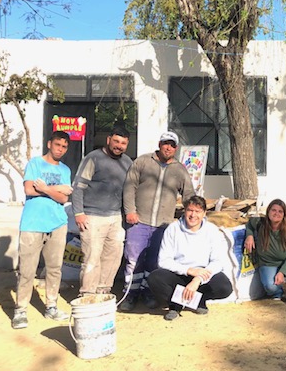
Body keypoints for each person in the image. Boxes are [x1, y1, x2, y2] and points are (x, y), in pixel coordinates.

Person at [121, 130, 194, 311]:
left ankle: (147, 292)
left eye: (172, 144)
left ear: (176, 148)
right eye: (165, 143)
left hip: (163, 225)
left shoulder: (180, 170)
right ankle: (130, 294)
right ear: (159, 144)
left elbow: (188, 195)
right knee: (133, 260)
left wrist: (193, 214)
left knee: (155, 262)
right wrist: (130, 211)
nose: (168, 147)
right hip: (139, 221)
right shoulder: (143, 161)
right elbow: (129, 187)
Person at [12, 131, 73, 329]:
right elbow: (29, 189)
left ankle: (52, 306)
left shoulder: (65, 170)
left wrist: (45, 189)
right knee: (27, 269)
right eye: (57, 145)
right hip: (32, 223)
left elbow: (65, 199)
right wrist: (57, 190)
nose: (60, 149)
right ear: (49, 144)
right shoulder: (35, 164)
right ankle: (20, 309)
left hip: (57, 223)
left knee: (54, 268)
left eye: (64, 147)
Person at [147, 196, 233, 320]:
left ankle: (199, 301)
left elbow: (218, 262)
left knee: (224, 287)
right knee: (155, 278)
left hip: (202, 274)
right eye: (190, 210)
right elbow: (164, 261)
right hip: (179, 272)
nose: (193, 215)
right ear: (185, 211)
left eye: (197, 211)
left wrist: (197, 279)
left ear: (204, 213)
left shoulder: (212, 231)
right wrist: (188, 270)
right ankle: (175, 305)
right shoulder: (173, 229)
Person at [72, 127, 133, 295]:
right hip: (92, 216)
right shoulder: (93, 158)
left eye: (123, 143)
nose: (119, 146)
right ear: (108, 140)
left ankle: (103, 291)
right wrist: (79, 213)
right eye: (116, 141)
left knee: (112, 257)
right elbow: (78, 186)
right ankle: (87, 294)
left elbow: (130, 189)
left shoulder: (127, 162)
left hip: (116, 218)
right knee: (92, 258)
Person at [244, 200, 286, 305]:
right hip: (268, 263)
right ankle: (278, 291)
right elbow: (249, 224)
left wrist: (282, 272)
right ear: (268, 211)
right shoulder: (260, 223)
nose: (276, 214)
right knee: (270, 287)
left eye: (280, 211)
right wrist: (249, 235)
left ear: (284, 215)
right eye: (273, 210)